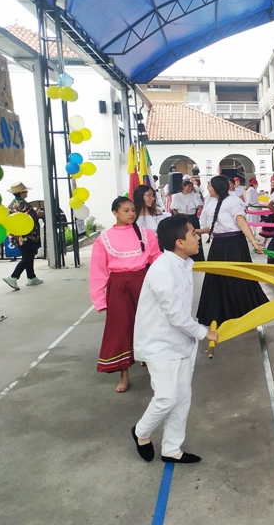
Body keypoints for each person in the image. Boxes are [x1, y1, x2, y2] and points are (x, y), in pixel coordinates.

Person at [132, 215, 218, 464]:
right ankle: (141, 432)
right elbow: (176, 315)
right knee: (167, 397)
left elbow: (180, 316)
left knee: (182, 398)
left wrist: (196, 334)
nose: (197, 237)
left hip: (180, 342)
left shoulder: (183, 264)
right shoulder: (163, 270)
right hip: (159, 343)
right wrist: (204, 332)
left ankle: (172, 449)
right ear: (180, 242)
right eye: (193, 233)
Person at [89, 197, 162, 392]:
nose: (131, 214)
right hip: (119, 286)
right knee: (121, 327)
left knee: (148, 322)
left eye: (133, 210)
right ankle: (124, 374)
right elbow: (98, 271)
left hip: (143, 282)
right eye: (126, 210)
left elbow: (157, 259)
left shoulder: (145, 234)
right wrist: (99, 299)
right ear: (115, 213)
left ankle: (151, 362)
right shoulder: (104, 239)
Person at [196, 176, 268, 328]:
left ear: (218, 187)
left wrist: (254, 242)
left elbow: (241, 222)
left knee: (237, 278)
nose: (208, 189)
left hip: (235, 245)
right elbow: (214, 225)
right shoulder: (210, 202)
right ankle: (219, 313)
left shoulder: (233, 201)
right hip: (218, 246)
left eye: (210, 186)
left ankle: (242, 312)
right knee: (217, 279)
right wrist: (200, 231)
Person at [3, 182, 44, 290]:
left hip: (17, 236)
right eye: (25, 191)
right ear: (21, 193)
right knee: (27, 257)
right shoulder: (24, 204)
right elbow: (29, 218)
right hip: (27, 236)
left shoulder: (11, 205)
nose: (27, 193)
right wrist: (38, 214)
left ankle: (31, 277)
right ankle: (13, 277)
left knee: (28, 256)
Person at [169, 180, 205, 261]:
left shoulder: (195, 195)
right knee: (183, 236)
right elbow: (173, 208)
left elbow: (200, 206)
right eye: (188, 186)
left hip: (192, 217)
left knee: (195, 235)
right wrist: (178, 216)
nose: (190, 188)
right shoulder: (176, 196)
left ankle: (197, 256)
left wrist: (199, 213)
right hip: (181, 217)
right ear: (183, 187)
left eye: (191, 187)